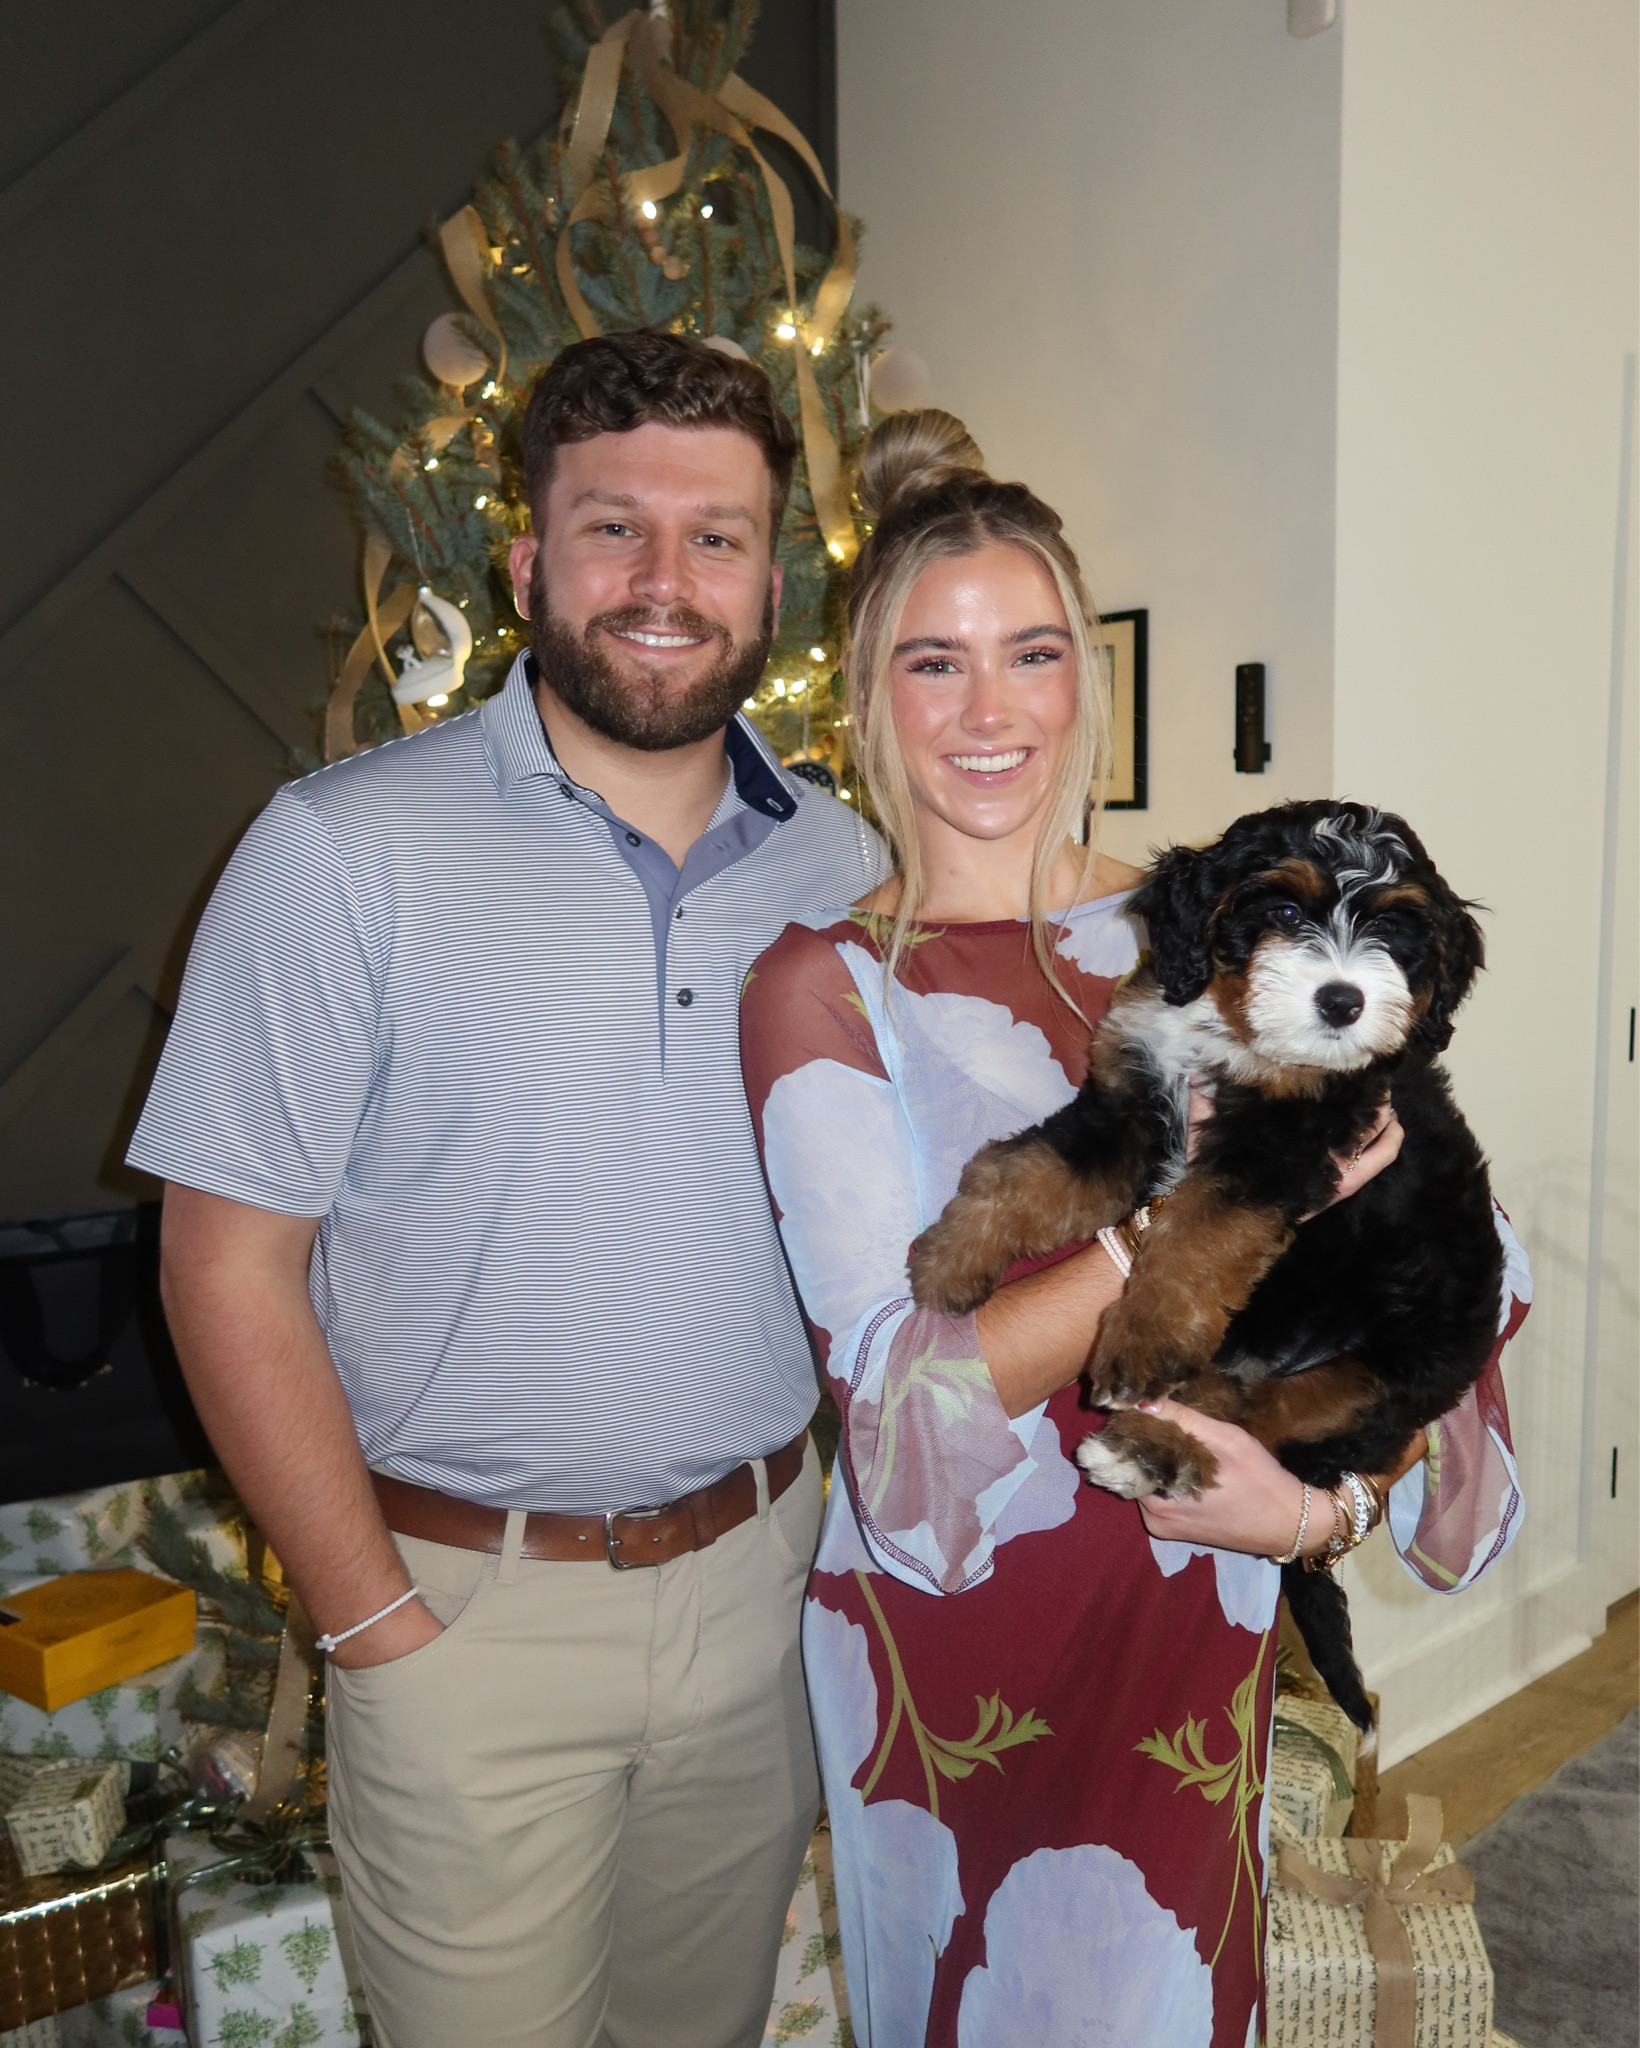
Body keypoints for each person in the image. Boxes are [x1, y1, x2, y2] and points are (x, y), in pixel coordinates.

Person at [127, 331, 885, 2048]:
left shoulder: (845, 872)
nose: (665, 581)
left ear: (775, 580)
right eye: (614, 529)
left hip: (764, 1593)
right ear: (532, 560)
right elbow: (222, 1270)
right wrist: (378, 1628)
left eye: (717, 536)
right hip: (463, 1619)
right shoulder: (342, 851)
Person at [738, 410, 1528, 2048]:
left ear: (1082, 677)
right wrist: (1155, 1228)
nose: (988, 710)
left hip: (1195, 1609)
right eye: (932, 664)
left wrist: (1311, 1514)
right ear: (867, 696)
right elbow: (902, 1425)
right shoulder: (824, 986)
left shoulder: (1228, 927)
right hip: (954, 1650)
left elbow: (1446, 1287)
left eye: (1029, 652)